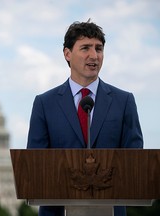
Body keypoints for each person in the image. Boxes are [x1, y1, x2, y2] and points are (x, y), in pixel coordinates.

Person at [26, 21, 143, 216]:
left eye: (99, 48)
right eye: (85, 48)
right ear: (67, 54)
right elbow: (36, 164)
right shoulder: (44, 104)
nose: (94, 55)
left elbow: (135, 161)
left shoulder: (124, 101)